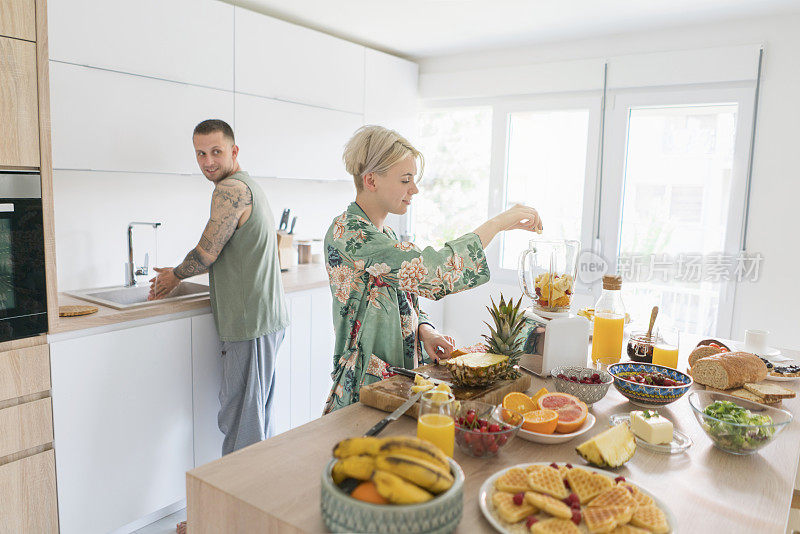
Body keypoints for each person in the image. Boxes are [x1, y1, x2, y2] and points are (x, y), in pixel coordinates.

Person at [323, 125, 542, 413]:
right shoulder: (351, 235)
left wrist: (425, 330)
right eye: (405, 180)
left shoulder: (383, 234)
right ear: (371, 180)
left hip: (395, 383)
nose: (414, 189)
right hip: (363, 390)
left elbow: (408, 294)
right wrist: (497, 224)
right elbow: (435, 272)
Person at [149, 119, 289, 454]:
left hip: (249, 321)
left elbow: (206, 253)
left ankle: (240, 500)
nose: (208, 161)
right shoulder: (248, 185)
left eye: (216, 151)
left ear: (233, 151)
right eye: (200, 154)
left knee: (242, 424)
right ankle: (254, 496)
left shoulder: (231, 189)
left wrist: (174, 276)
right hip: (262, 318)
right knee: (253, 418)